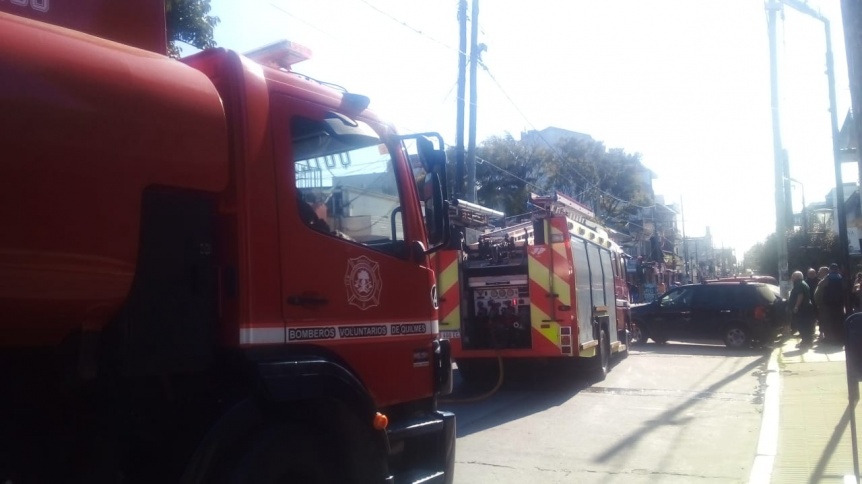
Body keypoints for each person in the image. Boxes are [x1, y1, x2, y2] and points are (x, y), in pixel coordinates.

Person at [789, 270, 815, 350]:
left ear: (797, 277)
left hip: (802, 309)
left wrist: (796, 306)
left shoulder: (799, 284)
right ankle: (807, 341)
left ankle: (806, 342)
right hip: (805, 308)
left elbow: (800, 295)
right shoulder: (802, 283)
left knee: (802, 326)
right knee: (806, 326)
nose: (791, 278)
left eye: (793, 276)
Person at [820, 263, 845, 345]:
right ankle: (840, 337)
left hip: (829, 302)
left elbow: (821, 285)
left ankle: (831, 338)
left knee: (829, 320)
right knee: (839, 319)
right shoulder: (840, 277)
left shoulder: (828, 277)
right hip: (839, 302)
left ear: (830, 269)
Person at [813, 266, 830, 341]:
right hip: (821, 304)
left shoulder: (826, 280)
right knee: (822, 319)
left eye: (820, 271)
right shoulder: (823, 280)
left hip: (824, 304)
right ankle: (822, 334)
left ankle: (825, 335)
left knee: (824, 319)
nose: (819, 272)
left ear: (825, 272)